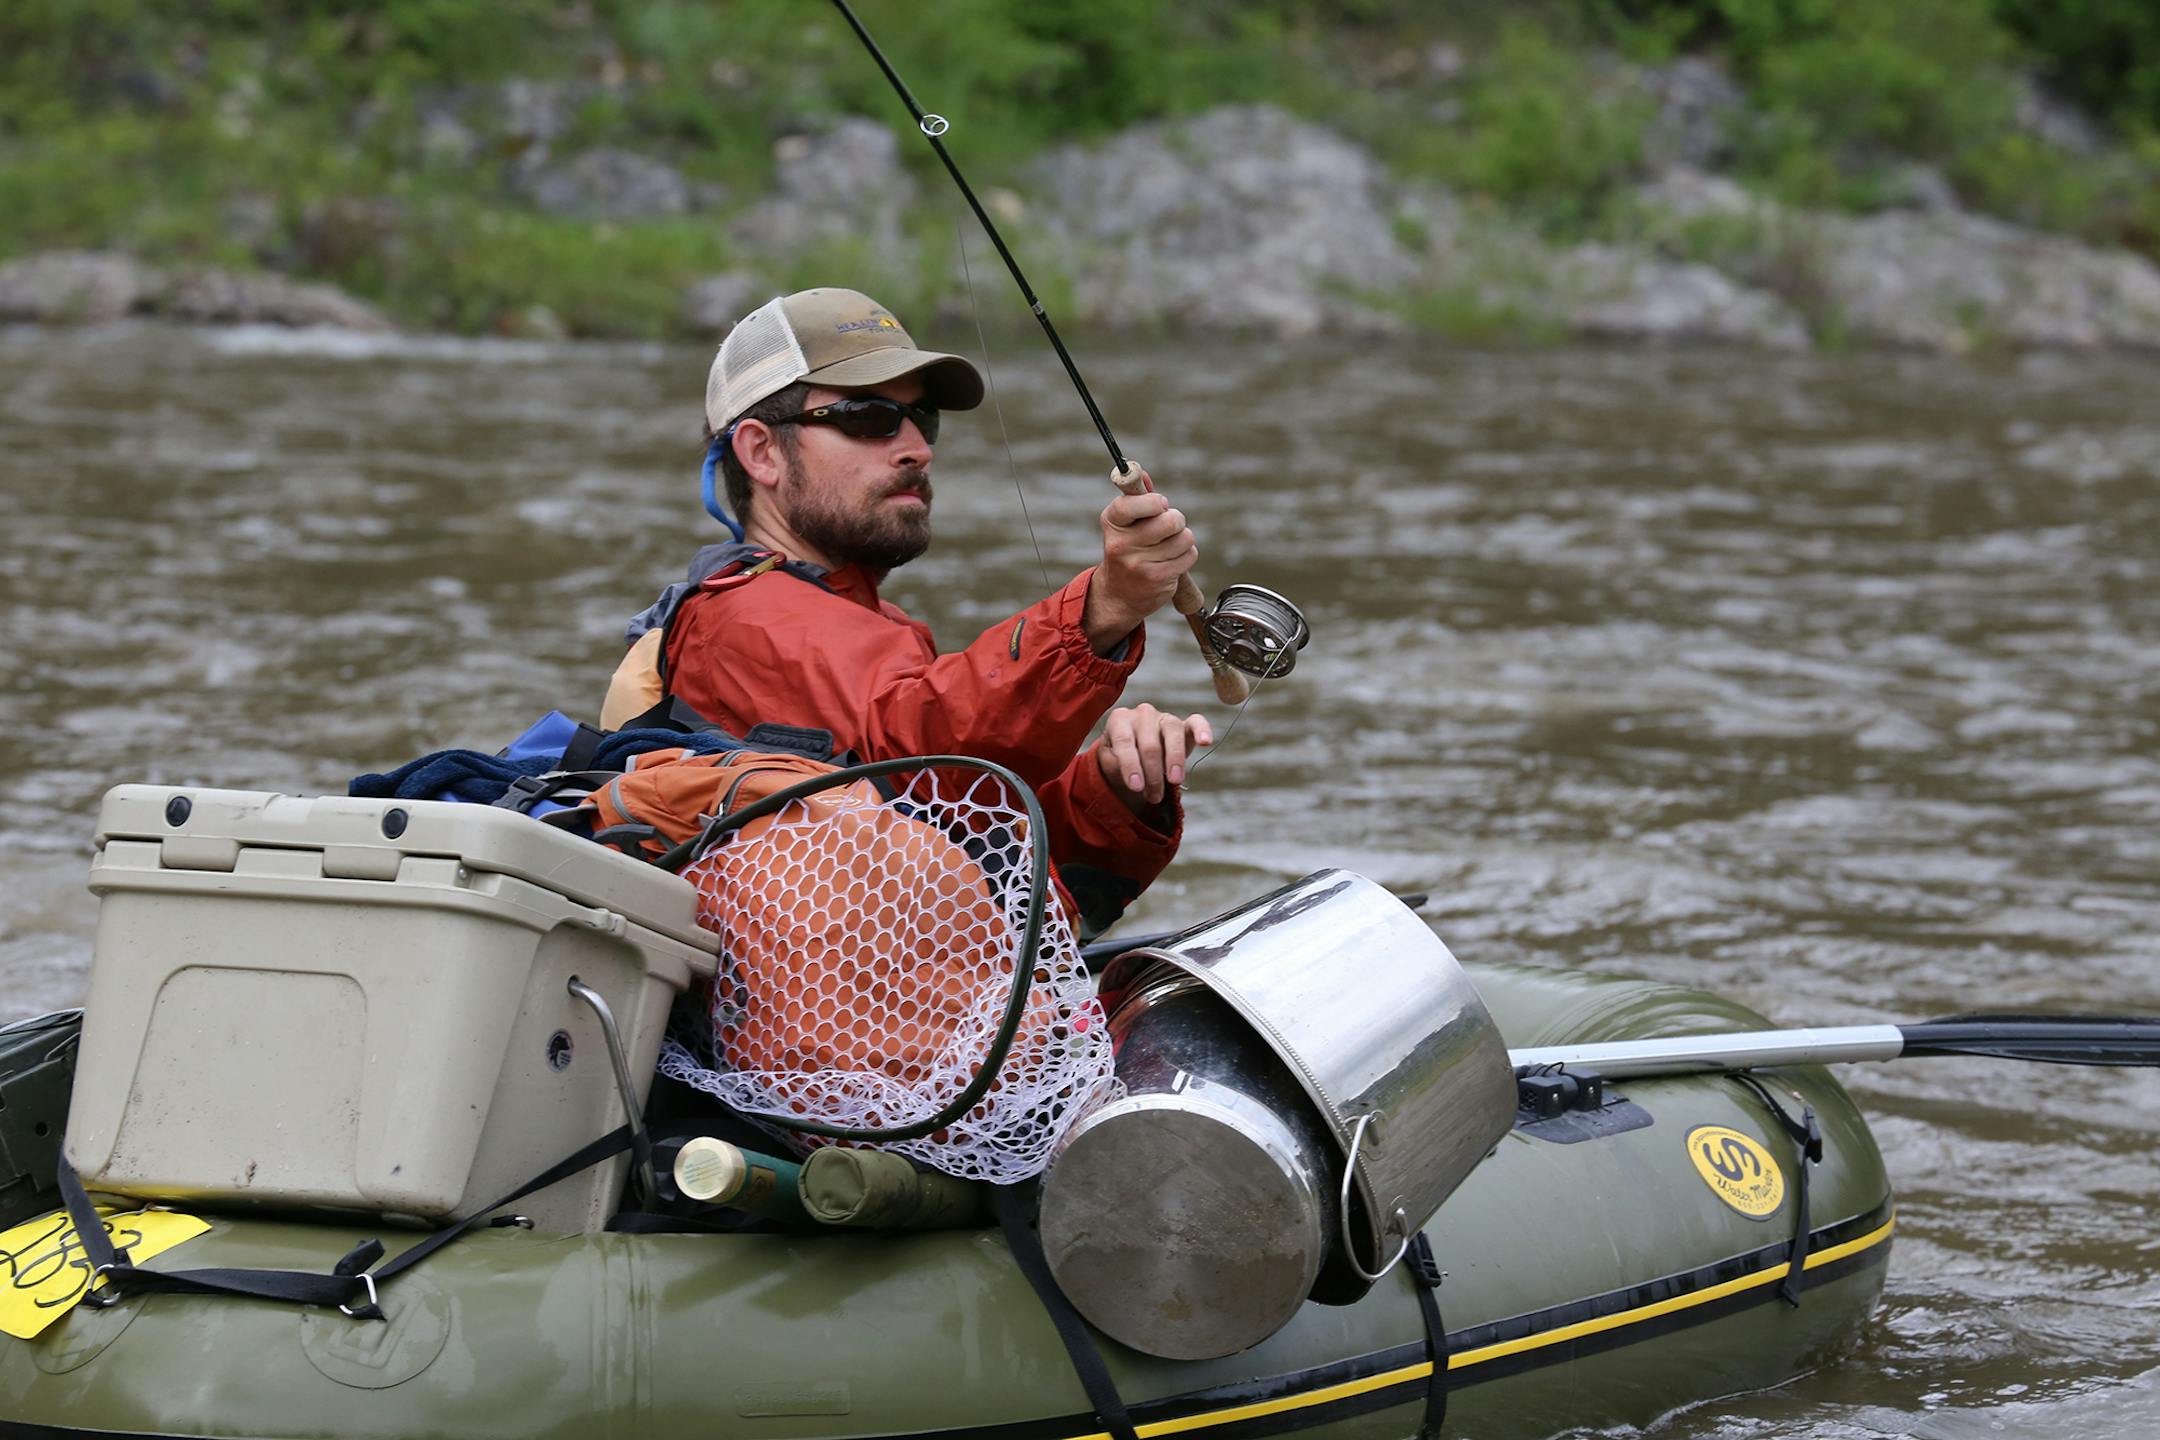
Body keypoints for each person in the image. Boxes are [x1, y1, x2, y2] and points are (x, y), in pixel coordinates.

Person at [602, 287, 1210, 938]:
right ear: (761, 452)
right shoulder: (744, 615)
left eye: (925, 420)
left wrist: (1113, 791)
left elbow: (963, 840)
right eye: (870, 418)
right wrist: (1102, 607)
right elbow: (918, 758)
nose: (917, 447)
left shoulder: (871, 626)